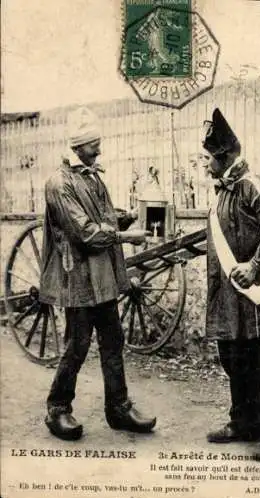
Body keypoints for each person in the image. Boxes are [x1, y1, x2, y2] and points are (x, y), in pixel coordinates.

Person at [39, 106, 156, 440]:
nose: (99, 149)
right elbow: (86, 232)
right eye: (94, 144)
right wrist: (123, 235)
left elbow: (99, 217)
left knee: (113, 340)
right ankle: (58, 410)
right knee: (77, 346)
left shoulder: (91, 176)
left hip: (101, 279)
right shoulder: (59, 184)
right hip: (76, 278)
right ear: (78, 147)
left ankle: (118, 409)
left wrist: (127, 217)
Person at [201, 108, 260, 461]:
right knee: (233, 359)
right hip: (229, 298)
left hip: (255, 294)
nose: (204, 164)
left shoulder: (254, 188)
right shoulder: (223, 192)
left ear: (224, 157)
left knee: (258, 362)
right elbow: (224, 232)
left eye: (208, 158)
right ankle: (241, 422)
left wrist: (255, 266)